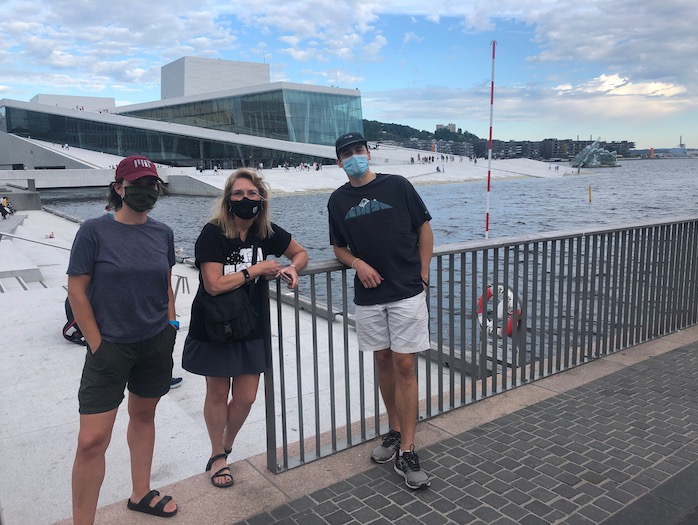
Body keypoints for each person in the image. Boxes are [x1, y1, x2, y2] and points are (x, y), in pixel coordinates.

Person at [67, 155, 179, 523]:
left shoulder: (162, 232)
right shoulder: (94, 231)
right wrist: (97, 343)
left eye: (152, 184)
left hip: (154, 342)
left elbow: (166, 281)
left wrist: (171, 324)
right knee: (91, 441)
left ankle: (141, 492)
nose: (147, 191)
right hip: (110, 347)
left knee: (144, 415)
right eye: (138, 184)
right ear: (119, 188)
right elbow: (77, 290)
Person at [182, 168, 307, 489]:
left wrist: (293, 267)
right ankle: (217, 456)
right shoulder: (212, 233)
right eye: (238, 194)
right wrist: (256, 270)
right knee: (218, 392)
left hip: (251, 324)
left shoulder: (266, 232)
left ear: (261, 200)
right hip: (215, 324)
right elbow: (213, 284)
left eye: (252, 194)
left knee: (247, 397)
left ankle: (226, 444)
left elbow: (300, 252)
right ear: (227, 200)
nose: (245, 199)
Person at [327, 132, 433, 490]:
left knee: (405, 363)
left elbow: (424, 228)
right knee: (383, 360)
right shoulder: (338, 200)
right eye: (347, 154)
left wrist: (424, 271)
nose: (354, 157)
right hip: (369, 295)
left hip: (405, 290)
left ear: (368, 154)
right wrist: (357, 263)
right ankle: (395, 429)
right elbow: (338, 247)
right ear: (339, 162)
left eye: (359, 150)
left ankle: (408, 450)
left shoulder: (398, 186)